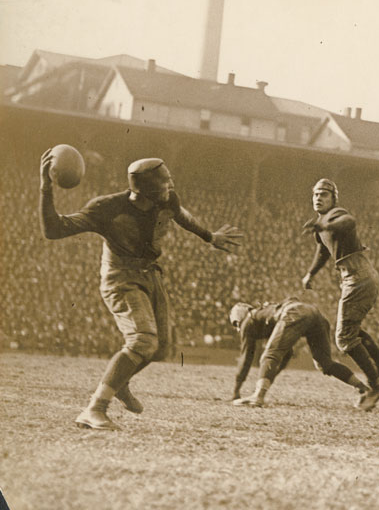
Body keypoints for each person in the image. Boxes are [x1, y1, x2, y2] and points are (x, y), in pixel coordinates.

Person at [39, 153, 243, 430]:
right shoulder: (107, 208)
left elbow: (181, 215)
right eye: (164, 183)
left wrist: (209, 236)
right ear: (146, 190)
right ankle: (94, 408)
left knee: (162, 349)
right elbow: (54, 229)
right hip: (120, 276)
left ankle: (119, 381)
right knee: (143, 341)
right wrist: (46, 187)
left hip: (149, 274)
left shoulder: (167, 199)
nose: (170, 187)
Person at [300, 178, 379, 412]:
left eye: (324, 194)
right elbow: (323, 251)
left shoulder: (335, 215)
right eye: (316, 194)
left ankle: (376, 385)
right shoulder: (322, 224)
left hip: (358, 275)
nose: (318, 198)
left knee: (344, 338)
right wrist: (310, 274)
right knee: (351, 332)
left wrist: (326, 226)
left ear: (333, 198)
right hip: (355, 275)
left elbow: (349, 221)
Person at [229, 296, 368, 407]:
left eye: (235, 324)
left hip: (294, 312)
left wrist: (236, 390)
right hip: (314, 314)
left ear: (238, 317)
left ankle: (257, 397)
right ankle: (363, 388)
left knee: (269, 354)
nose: (237, 328)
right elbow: (287, 354)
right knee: (324, 362)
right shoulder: (263, 314)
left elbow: (246, 358)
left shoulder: (248, 321)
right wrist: (269, 377)